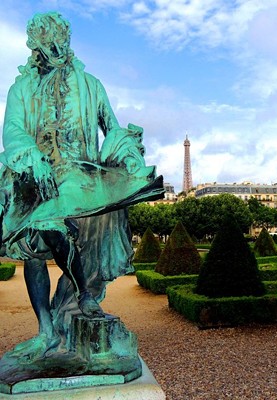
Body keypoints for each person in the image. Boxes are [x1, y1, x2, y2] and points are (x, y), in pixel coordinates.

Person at [0, 12, 163, 359]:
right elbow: (12, 130)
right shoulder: (21, 89)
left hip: (82, 179)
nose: (58, 50)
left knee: (58, 234)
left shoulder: (91, 85)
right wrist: (30, 153)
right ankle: (47, 330)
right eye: (50, 45)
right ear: (37, 48)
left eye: (62, 43)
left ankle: (77, 299)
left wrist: (127, 150)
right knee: (35, 247)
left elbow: (112, 129)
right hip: (38, 181)